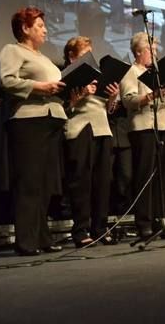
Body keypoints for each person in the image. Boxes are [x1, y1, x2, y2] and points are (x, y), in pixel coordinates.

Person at [0, 7, 67, 255]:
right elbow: (7, 80)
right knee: (29, 182)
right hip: (28, 121)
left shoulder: (45, 59)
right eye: (39, 26)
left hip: (51, 120)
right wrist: (39, 86)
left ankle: (42, 238)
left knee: (46, 183)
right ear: (25, 29)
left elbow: (53, 89)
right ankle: (26, 241)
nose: (45, 30)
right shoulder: (12, 50)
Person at [62, 36, 119, 247]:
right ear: (71, 56)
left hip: (102, 128)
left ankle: (100, 228)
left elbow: (108, 109)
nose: (89, 57)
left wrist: (113, 97)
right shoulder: (65, 75)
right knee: (81, 182)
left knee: (102, 182)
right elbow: (63, 110)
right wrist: (78, 97)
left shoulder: (96, 74)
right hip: (79, 129)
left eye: (90, 53)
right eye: (84, 53)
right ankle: (80, 230)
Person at [119, 31, 165, 238]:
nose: (154, 54)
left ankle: (161, 220)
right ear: (138, 52)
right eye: (151, 50)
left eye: (155, 50)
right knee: (145, 176)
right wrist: (152, 94)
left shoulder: (157, 72)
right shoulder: (131, 71)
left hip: (162, 125)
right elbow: (128, 100)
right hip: (143, 127)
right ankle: (143, 222)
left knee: (162, 176)